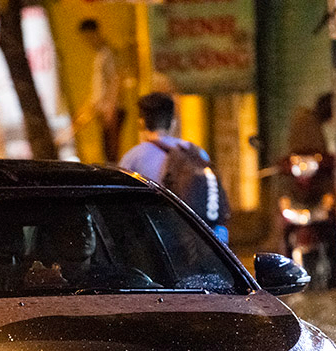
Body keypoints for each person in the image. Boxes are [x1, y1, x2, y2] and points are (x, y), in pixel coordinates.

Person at [119, 92, 229, 243]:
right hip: (193, 235)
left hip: (154, 237)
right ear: (173, 122)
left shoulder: (132, 158)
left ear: (141, 122)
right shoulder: (195, 153)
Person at [72, 19, 125, 163]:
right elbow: (98, 91)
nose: (87, 41)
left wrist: (111, 108)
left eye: (88, 37)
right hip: (104, 111)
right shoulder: (100, 55)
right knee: (107, 153)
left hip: (112, 110)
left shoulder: (108, 53)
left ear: (95, 33)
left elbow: (116, 79)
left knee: (112, 155)